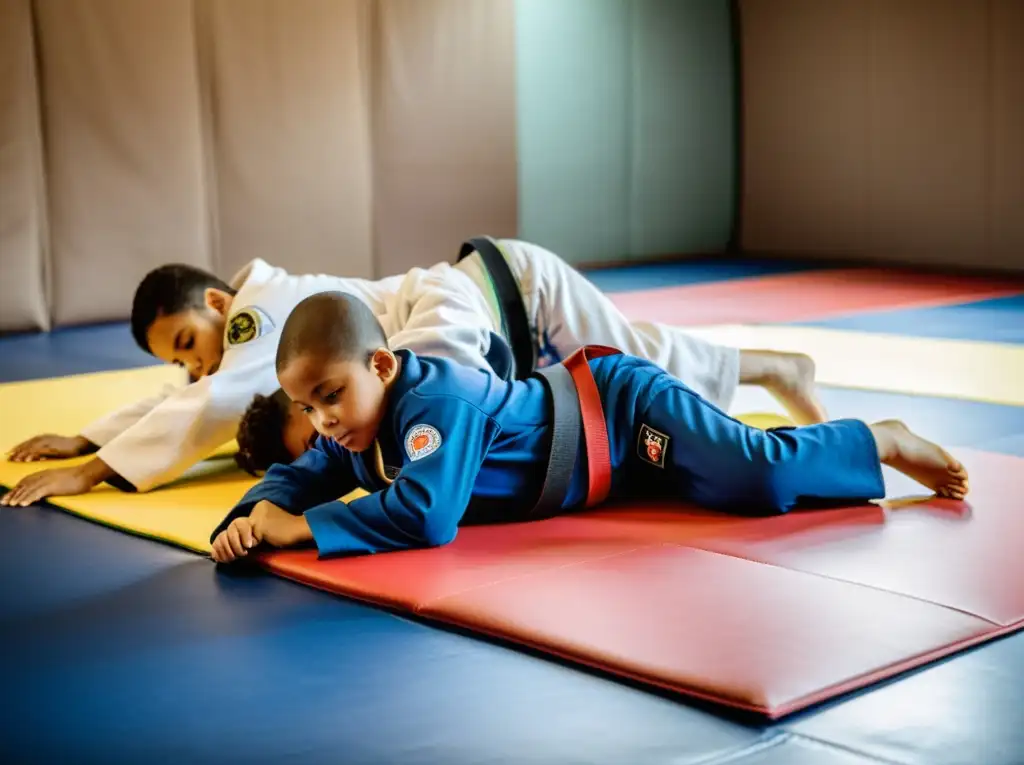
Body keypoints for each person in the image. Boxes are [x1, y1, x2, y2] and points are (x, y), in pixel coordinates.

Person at [2, 237, 823, 506]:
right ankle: (776, 364)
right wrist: (90, 432)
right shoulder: (256, 347)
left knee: (642, 368)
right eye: (177, 358)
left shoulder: (259, 318)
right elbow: (194, 399)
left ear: (218, 305)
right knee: (641, 353)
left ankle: (780, 369)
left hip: (505, 295)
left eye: (187, 341)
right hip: (494, 318)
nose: (193, 365)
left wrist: (95, 471)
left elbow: (218, 399)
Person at [209, 291, 968, 564]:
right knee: (722, 480)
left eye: (329, 396)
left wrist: (300, 531)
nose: (322, 420)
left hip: (617, 413)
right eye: (307, 407)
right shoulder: (355, 433)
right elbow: (302, 472)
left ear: (380, 366)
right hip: (609, 474)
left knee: (756, 479)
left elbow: (428, 515)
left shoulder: (433, 406)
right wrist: (247, 517)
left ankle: (882, 438)